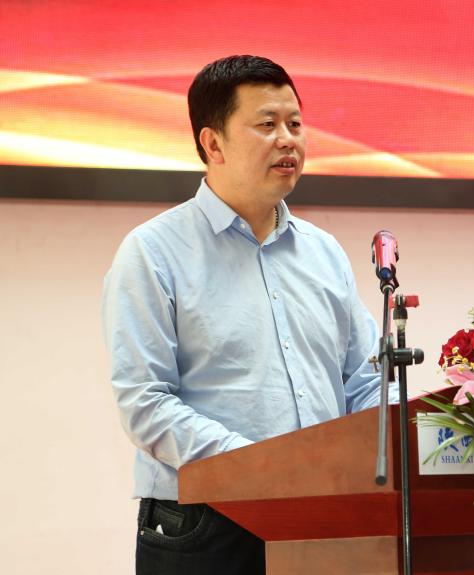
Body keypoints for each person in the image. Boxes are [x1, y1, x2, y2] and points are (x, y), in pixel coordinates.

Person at [102, 55, 390, 575]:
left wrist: (397, 436)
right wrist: (256, 467)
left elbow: (365, 381)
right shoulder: (154, 252)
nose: (288, 140)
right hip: (205, 524)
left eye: (295, 124)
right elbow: (145, 401)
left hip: (321, 512)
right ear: (213, 144)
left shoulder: (323, 253)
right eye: (267, 124)